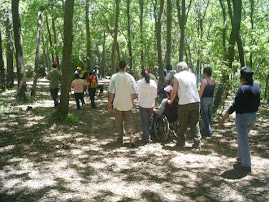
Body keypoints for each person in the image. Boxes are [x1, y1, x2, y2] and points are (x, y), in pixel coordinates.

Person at [219, 67, 260, 173]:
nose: (239, 79)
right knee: (243, 138)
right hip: (253, 117)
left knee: (244, 140)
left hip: (243, 118)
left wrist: (224, 117)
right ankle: (240, 157)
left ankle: (246, 165)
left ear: (243, 78)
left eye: (240, 77)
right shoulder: (256, 87)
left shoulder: (242, 89)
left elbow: (235, 105)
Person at [168, 62, 202, 149]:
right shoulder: (192, 75)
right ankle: (197, 142)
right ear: (187, 68)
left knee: (182, 122)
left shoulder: (177, 76)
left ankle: (181, 142)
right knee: (195, 122)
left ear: (178, 69)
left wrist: (170, 101)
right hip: (195, 101)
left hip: (184, 102)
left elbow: (174, 91)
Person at [108, 61, 137, 145]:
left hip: (118, 102)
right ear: (126, 67)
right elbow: (133, 92)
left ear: (118, 67)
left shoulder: (114, 77)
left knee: (118, 120)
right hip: (127, 102)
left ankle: (120, 136)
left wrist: (109, 103)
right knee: (129, 120)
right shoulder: (130, 77)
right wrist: (132, 102)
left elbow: (111, 92)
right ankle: (131, 136)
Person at [137, 69, 158, 144]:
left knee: (144, 121)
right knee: (149, 120)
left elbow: (137, 92)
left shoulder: (139, 82)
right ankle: (147, 135)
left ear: (142, 75)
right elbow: (155, 95)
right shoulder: (153, 82)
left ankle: (146, 137)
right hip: (150, 104)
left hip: (142, 104)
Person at [199, 67, 216, 136]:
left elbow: (201, 91)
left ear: (205, 73)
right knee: (209, 114)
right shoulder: (213, 80)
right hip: (211, 98)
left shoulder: (204, 81)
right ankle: (207, 128)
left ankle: (209, 130)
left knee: (205, 114)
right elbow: (214, 90)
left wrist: (198, 99)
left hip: (205, 99)